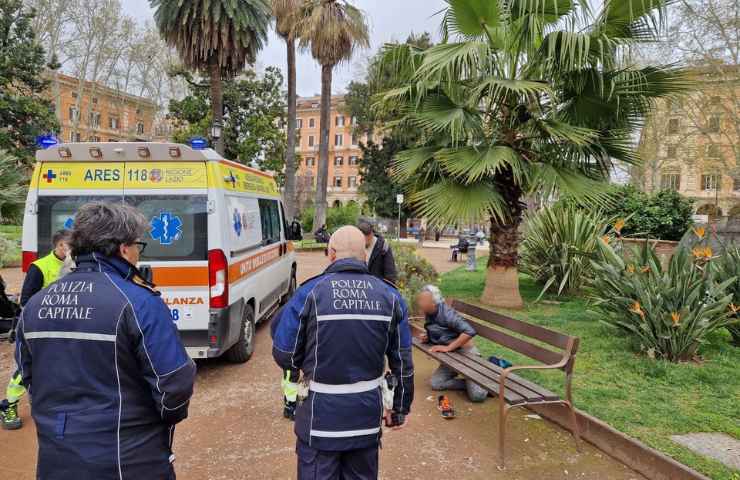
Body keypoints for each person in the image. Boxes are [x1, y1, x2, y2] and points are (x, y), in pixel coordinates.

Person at [15, 202, 196, 479]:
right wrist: (160, 420)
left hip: (56, 454)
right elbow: (173, 383)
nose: (138, 254)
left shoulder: (37, 303)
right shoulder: (138, 302)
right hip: (129, 457)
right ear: (124, 248)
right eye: (139, 246)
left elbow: (27, 373)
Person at [271, 226, 414, 480]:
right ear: (365, 256)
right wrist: (400, 408)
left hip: (319, 422)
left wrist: (308, 363)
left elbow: (285, 353)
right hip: (366, 420)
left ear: (331, 253)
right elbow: (402, 361)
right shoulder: (390, 297)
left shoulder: (310, 293)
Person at [0, 229, 70, 430]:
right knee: (27, 367)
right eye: (70, 246)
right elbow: (26, 300)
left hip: (61, 327)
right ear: (60, 246)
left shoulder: (74, 266)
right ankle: (8, 405)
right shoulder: (40, 267)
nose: (74, 250)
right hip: (37, 327)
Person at [417, 285, 488, 403]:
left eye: (422, 300)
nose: (419, 303)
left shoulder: (447, 314)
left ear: (433, 303)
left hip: (467, 355)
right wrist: (428, 338)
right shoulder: (430, 312)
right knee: (436, 383)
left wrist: (448, 347)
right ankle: (474, 382)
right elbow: (443, 331)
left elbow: (469, 331)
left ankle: (481, 378)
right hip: (453, 356)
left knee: (478, 396)